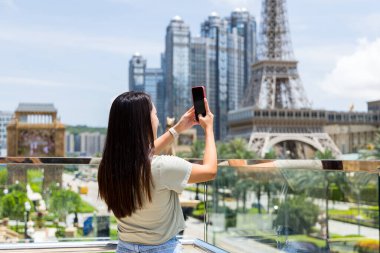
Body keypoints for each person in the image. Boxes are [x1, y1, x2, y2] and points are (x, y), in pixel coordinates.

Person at [98, 91, 217, 253]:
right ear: (145, 122)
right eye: (155, 114)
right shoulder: (162, 167)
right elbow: (210, 171)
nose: (158, 119)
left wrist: (178, 128)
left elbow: (142, 155)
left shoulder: (108, 166)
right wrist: (209, 129)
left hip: (125, 247)